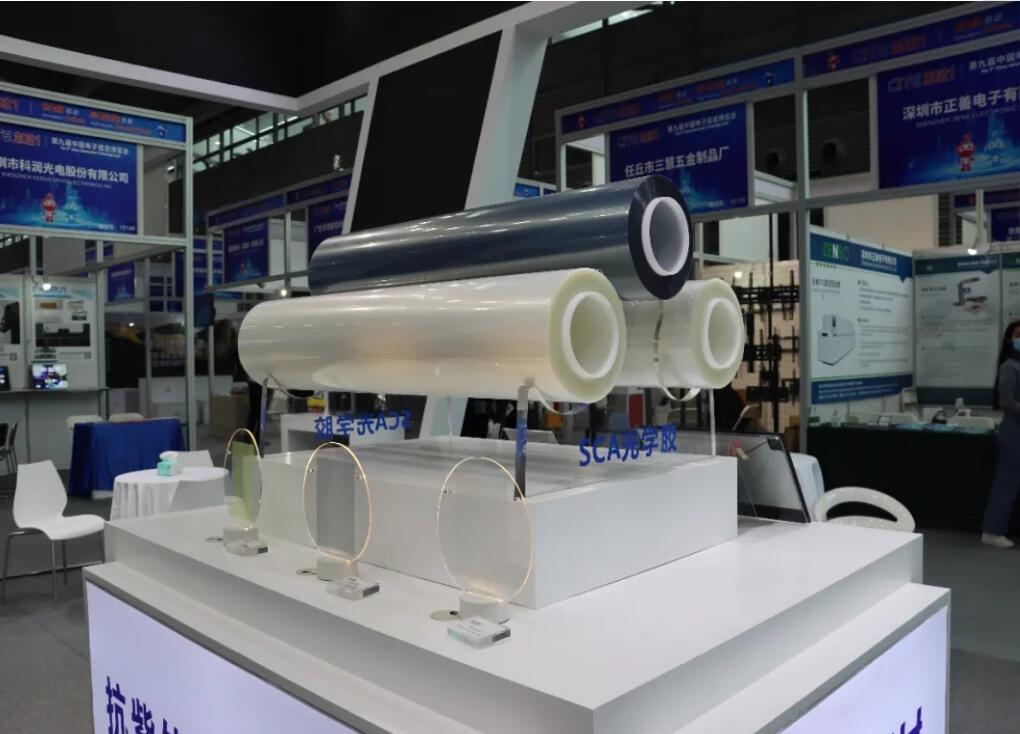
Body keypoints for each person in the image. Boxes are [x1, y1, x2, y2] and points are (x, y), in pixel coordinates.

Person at [981, 320, 1020, 548]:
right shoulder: (1009, 366)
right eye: (1018, 335)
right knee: (1007, 482)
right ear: (1009, 339)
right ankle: (992, 531)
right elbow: (1006, 401)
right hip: (1014, 432)